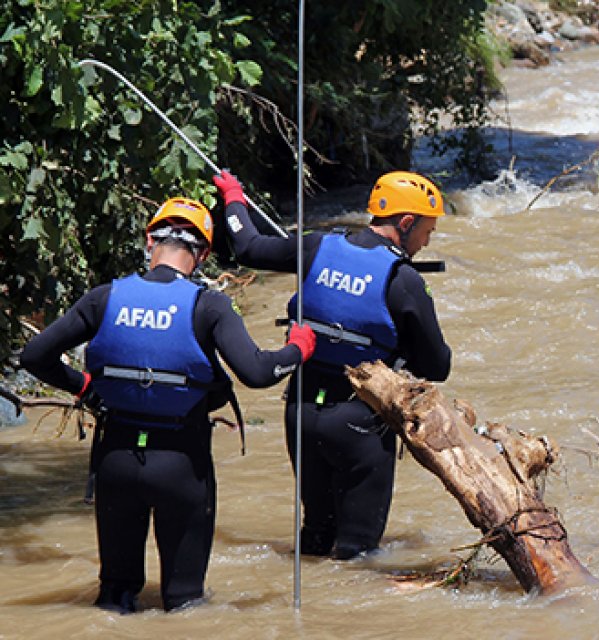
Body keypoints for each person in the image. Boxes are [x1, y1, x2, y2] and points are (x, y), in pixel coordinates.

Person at [20, 198, 316, 613]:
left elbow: (33, 356)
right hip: (182, 463)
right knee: (184, 603)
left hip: (116, 460)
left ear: (149, 241)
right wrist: (297, 350)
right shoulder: (209, 306)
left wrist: (85, 387)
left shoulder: (104, 297)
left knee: (114, 598)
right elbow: (258, 373)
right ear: (205, 253)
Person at [213, 169, 451, 560]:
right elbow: (438, 365)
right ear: (406, 223)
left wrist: (234, 196)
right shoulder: (404, 279)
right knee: (358, 557)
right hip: (359, 422)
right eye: (428, 230)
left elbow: (248, 246)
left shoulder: (317, 246)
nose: (428, 241)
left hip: (301, 413)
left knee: (316, 536)